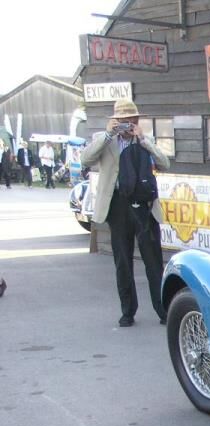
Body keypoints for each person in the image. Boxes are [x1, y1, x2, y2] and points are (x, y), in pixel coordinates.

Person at [80, 98, 171, 327]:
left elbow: (164, 163)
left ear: (137, 120)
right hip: (117, 205)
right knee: (123, 260)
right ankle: (128, 311)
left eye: (131, 120)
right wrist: (108, 135)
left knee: (153, 261)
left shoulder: (144, 140)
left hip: (144, 205)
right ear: (114, 120)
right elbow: (86, 159)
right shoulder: (104, 140)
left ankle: (163, 310)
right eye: (122, 120)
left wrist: (144, 141)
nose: (127, 124)